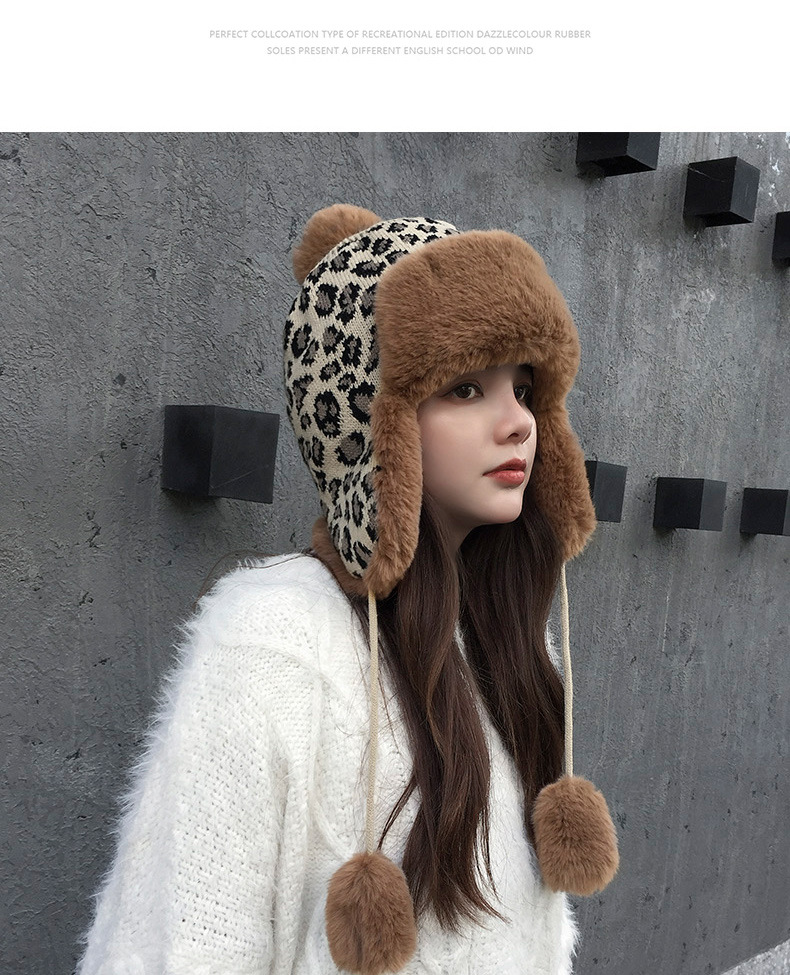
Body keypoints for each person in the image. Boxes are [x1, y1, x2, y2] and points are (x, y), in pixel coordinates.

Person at [76, 204, 619, 975]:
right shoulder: (274, 638)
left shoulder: (509, 637)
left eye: (525, 389)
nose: (518, 424)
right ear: (372, 422)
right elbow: (183, 942)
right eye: (466, 388)